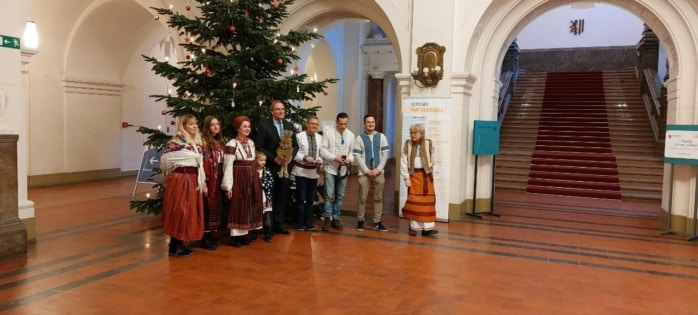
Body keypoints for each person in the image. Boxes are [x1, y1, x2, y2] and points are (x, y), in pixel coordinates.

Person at [160, 114, 206, 257]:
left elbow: (198, 162)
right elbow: (166, 160)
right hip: (180, 179)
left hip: (192, 179)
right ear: (184, 126)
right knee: (180, 210)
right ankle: (173, 246)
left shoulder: (196, 142)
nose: (195, 126)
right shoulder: (176, 142)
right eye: (191, 124)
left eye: (196, 124)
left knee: (189, 211)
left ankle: (179, 243)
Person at [255, 100, 298, 235]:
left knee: (282, 195)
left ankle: (279, 223)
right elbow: (259, 146)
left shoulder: (289, 126)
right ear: (272, 111)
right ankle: (269, 225)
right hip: (271, 167)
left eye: (282, 109)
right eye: (278, 109)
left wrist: (291, 155)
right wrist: (274, 158)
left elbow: (296, 145)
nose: (281, 111)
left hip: (285, 167)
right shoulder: (265, 126)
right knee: (270, 196)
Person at [222, 116, 264, 247]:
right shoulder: (231, 144)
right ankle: (235, 236)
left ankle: (244, 234)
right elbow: (228, 165)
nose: (247, 129)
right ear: (238, 128)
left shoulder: (251, 142)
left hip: (251, 176)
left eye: (249, 126)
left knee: (249, 205)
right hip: (239, 177)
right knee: (238, 205)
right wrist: (228, 186)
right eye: (244, 126)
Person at [352, 115, 389, 232]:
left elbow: (385, 155)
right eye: (368, 122)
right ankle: (360, 220)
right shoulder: (359, 138)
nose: (371, 124)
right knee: (362, 198)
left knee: (379, 198)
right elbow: (357, 156)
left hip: (379, 172)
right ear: (364, 123)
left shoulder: (382, 137)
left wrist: (378, 169)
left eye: (372, 122)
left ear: (375, 123)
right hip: (364, 173)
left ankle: (377, 222)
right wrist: (367, 171)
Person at [400, 123, 438, 237]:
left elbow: (433, 158)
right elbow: (403, 161)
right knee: (414, 202)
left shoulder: (429, 143)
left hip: (426, 177)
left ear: (421, 133)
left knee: (428, 202)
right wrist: (406, 177)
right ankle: (413, 227)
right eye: (411, 132)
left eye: (415, 133)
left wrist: (429, 169)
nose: (412, 135)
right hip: (413, 176)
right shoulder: (407, 144)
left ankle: (427, 229)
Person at [319, 112, 355, 232]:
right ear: (336, 122)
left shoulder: (350, 135)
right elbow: (322, 150)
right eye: (341, 123)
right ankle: (327, 218)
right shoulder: (329, 133)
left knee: (339, 196)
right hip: (330, 168)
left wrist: (348, 159)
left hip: (343, 169)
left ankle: (336, 217)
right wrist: (334, 157)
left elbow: (352, 151)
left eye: (345, 123)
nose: (343, 126)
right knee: (329, 195)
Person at [292, 116, 323, 231]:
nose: (314, 126)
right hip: (301, 171)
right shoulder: (299, 136)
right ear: (307, 124)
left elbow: (322, 153)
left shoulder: (320, 138)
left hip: (313, 172)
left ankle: (308, 223)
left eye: (316, 124)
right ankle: (299, 223)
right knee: (301, 198)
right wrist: (304, 157)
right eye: (312, 123)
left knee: (310, 199)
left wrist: (320, 160)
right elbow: (294, 153)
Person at [200, 115, 225, 250]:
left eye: (217, 124)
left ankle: (211, 235)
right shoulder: (205, 143)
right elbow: (205, 163)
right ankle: (205, 237)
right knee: (207, 207)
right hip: (210, 179)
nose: (216, 127)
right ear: (207, 127)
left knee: (215, 207)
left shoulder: (220, 142)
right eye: (212, 125)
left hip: (219, 177)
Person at [256, 151, 275, 242]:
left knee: (267, 215)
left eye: (265, 160)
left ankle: (268, 234)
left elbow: (270, 181)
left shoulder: (266, 171)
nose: (263, 162)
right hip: (256, 197)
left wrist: (261, 185)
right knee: (255, 215)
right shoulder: (253, 171)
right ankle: (254, 233)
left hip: (265, 197)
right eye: (261, 160)